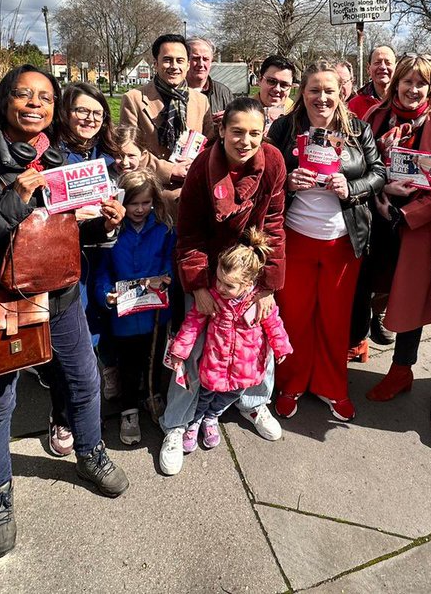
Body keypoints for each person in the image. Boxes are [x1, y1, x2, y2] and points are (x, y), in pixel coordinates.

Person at [0, 64, 129, 560]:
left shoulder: (58, 158)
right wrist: (13, 201)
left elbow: (64, 233)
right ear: (3, 101)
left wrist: (104, 225)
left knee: (84, 382)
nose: (35, 103)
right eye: (24, 94)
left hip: (60, 296)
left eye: (46, 98)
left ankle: (90, 453)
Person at [158, 97, 288, 475]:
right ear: (222, 131)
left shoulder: (274, 162)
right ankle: (177, 422)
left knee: (256, 338)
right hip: (209, 271)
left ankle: (253, 401)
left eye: (254, 133)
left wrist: (268, 286)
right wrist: (198, 285)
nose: (245, 141)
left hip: (250, 270)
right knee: (193, 347)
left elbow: (275, 224)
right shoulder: (203, 167)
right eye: (237, 132)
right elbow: (190, 234)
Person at [268, 60, 386, 422]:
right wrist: (287, 181)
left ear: (342, 94)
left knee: (334, 319)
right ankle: (291, 384)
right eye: (314, 90)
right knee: (296, 316)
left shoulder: (358, 130)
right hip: (296, 238)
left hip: (342, 241)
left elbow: (378, 173)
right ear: (302, 93)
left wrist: (350, 188)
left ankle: (332, 386)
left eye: (329, 91)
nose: (322, 98)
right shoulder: (285, 128)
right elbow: (266, 170)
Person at [362, 55, 431, 398]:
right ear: (396, 84)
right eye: (408, 82)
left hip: (413, 225)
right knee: (362, 286)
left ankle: (401, 369)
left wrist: (404, 215)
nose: (414, 90)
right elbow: (356, 163)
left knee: (409, 299)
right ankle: (354, 342)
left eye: (422, 83)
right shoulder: (374, 117)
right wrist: (380, 190)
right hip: (370, 213)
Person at [40, 83, 127, 457]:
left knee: (101, 325)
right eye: (81, 111)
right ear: (65, 113)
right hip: (65, 257)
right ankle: (60, 414)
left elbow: (123, 202)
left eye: (97, 112)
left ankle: (96, 399)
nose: (90, 119)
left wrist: (116, 215)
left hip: (104, 253)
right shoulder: (48, 156)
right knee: (67, 343)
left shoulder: (109, 156)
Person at [167, 228, 293, 453]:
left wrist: (281, 347)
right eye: (219, 280)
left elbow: (274, 323)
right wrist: (179, 351)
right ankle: (195, 421)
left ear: (248, 283)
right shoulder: (214, 297)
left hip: (246, 365)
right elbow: (193, 323)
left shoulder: (260, 301)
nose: (221, 287)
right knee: (204, 395)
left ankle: (212, 418)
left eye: (229, 285)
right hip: (215, 362)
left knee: (230, 395)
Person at [95, 170, 174, 445]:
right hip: (124, 315)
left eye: (146, 202)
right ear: (121, 202)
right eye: (133, 203)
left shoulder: (164, 228)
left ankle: (152, 395)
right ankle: (128, 410)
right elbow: (102, 271)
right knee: (127, 363)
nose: (139, 209)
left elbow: (170, 261)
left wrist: (166, 278)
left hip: (155, 313)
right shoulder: (111, 230)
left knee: (152, 359)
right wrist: (105, 295)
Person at [119, 33, 212, 200]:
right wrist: (170, 171)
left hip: (193, 191)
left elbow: (209, 144)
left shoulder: (201, 101)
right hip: (152, 193)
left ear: (188, 65)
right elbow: (130, 150)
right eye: (167, 60)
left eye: (180, 60)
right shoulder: (133, 99)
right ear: (156, 64)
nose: (174, 66)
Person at [188, 36, 235, 121]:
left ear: (211, 62)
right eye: (195, 58)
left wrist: (228, 120)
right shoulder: (174, 91)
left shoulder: (223, 92)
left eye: (205, 59)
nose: (201, 64)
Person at [347, 44, 396, 120]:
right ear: (368, 68)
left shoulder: (405, 100)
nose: (383, 67)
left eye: (388, 63)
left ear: (396, 68)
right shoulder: (354, 105)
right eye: (377, 62)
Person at [256, 54, 297, 130]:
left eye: (284, 85)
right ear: (260, 80)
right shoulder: (241, 112)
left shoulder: (298, 115)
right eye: (271, 81)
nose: (277, 89)